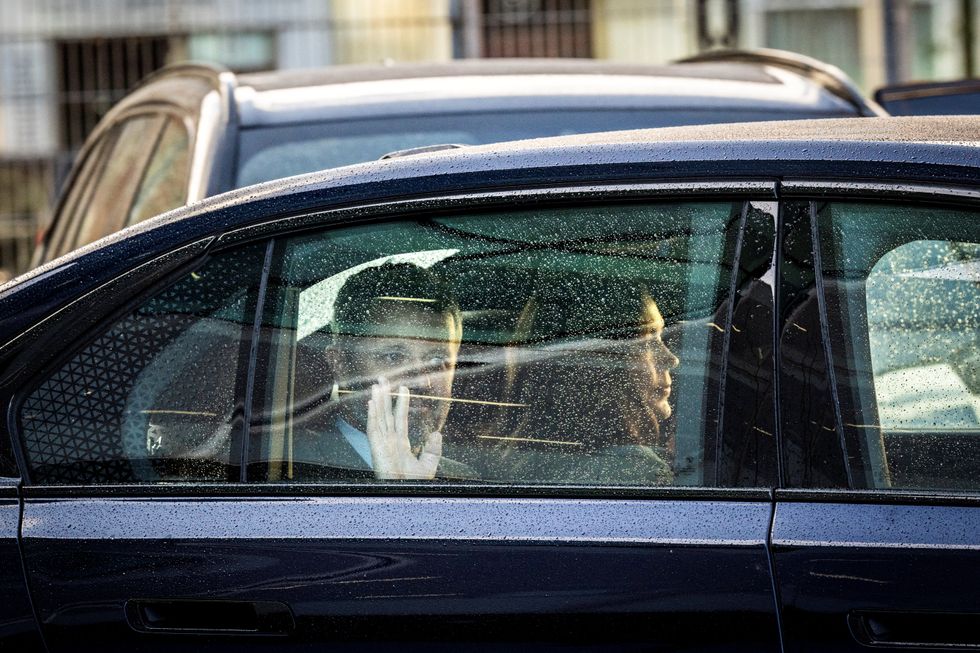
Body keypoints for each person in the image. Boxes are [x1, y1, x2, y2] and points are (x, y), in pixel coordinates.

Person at [487, 279, 679, 485]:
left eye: (661, 338)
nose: (671, 359)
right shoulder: (634, 469)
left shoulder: (509, 454)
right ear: (600, 366)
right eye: (647, 341)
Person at [303, 262, 468, 480]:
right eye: (394, 357)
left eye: (438, 360)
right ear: (341, 364)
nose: (422, 382)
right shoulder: (291, 470)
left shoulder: (465, 478)